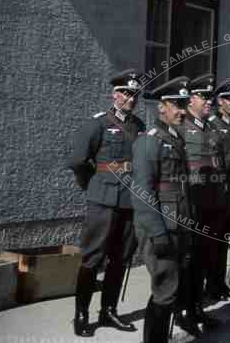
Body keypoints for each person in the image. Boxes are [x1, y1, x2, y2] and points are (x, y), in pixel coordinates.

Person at [67, 69, 144, 336]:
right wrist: (92, 185)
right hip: (102, 201)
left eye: (134, 94)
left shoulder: (139, 127)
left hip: (129, 202)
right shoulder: (98, 124)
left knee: (120, 259)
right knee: (92, 258)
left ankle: (109, 312)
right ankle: (81, 314)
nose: (130, 98)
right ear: (114, 94)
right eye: (125, 93)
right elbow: (78, 161)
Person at [131, 76, 192, 343]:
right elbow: (142, 194)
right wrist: (157, 235)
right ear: (162, 107)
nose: (182, 110)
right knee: (165, 289)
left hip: (176, 224)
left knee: (167, 288)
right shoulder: (150, 141)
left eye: (184, 104)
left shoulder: (175, 139)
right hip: (161, 229)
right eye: (177, 105)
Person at [175, 74, 225, 333]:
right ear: (190, 99)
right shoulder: (181, 128)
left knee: (204, 259)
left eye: (210, 97)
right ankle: (183, 310)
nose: (209, 101)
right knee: (188, 259)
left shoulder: (213, 129)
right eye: (204, 97)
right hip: (190, 204)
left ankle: (197, 308)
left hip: (211, 205)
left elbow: (220, 167)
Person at [207, 77, 230, 299]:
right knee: (214, 243)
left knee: (224, 242)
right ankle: (211, 285)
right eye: (229, 99)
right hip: (217, 193)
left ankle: (219, 283)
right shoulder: (212, 124)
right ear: (219, 101)